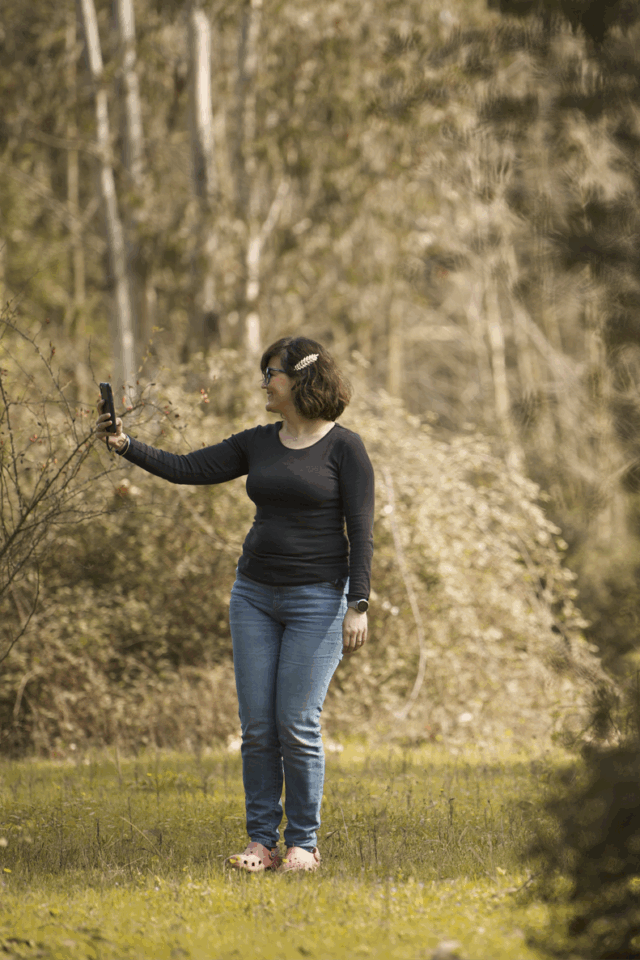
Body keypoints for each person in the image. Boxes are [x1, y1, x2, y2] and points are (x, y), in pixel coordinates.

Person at [95, 336, 375, 873]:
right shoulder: (259, 442)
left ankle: (304, 844)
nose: (264, 382)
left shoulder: (346, 448)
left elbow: (361, 532)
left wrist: (357, 603)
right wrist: (125, 444)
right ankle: (262, 843)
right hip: (253, 596)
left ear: (301, 379)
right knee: (257, 726)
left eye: (270, 372)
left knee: (297, 721)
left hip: (318, 600)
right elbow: (188, 468)